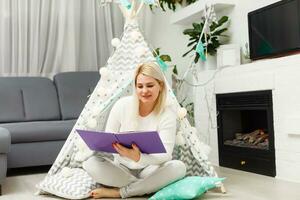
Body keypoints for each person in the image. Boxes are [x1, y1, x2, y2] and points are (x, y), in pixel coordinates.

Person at [82, 62, 186, 199]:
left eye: (150, 85)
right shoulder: (122, 105)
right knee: (90, 163)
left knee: (179, 167)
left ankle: (121, 192)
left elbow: (166, 154)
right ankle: (145, 187)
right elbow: (109, 137)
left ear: (160, 86)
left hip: (150, 169)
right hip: (122, 170)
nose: (144, 91)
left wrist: (138, 157)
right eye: (140, 86)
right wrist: (104, 144)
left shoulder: (167, 114)